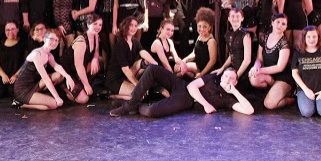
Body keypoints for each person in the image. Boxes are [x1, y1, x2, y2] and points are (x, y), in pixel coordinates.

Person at [109, 64, 255, 117]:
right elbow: (192, 86)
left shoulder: (228, 99)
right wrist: (205, 104)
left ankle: (134, 105)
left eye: (231, 78)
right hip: (183, 86)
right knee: (152, 69)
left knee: (151, 112)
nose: (227, 79)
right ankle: (130, 105)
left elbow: (249, 111)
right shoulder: (214, 78)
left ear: (235, 81)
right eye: (226, 76)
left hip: (186, 100)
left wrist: (234, 91)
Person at [12, 30, 76, 110]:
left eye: (56, 40)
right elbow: (46, 79)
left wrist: (68, 77)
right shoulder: (36, 54)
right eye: (51, 39)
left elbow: (57, 66)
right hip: (23, 89)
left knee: (59, 75)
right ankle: (21, 104)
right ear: (45, 39)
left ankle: (38, 97)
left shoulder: (49, 55)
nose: (54, 42)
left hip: (34, 85)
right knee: (54, 104)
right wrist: (57, 97)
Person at [104, 16, 159, 99]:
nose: (133, 28)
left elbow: (143, 52)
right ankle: (115, 96)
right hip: (115, 80)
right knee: (140, 95)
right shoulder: (121, 45)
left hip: (125, 76)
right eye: (131, 25)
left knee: (144, 62)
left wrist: (154, 63)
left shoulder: (135, 41)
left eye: (135, 26)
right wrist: (138, 85)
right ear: (126, 26)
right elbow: (125, 70)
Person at [249, 13, 295, 110]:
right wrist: (256, 67)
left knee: (269, 104)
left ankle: (290, 98)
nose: (280, 25)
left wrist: (260, 70)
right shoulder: (265, 38)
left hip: (284, 77)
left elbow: (280, 67)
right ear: (272, 22)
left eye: (283, 24)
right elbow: (259, 58)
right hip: (271, 75)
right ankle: (274, 91)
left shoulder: (284, 43)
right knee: (254, 78)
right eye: (278, 22)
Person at [291, 26, 321, 118]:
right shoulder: (298, 53)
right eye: (309, 37)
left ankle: (320, 103)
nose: (311, 39)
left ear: (318, 37)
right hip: (304, 89)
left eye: (314, 36)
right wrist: (305, 90)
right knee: (307, 112)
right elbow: (294, 73)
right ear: (304, 38)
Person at [61, 15, 102, 104]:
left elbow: (97, 50)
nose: (98, 27)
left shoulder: (95, 36)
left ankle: (81, 84)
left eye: (100, 25)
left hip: (79, 68)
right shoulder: (81, 41)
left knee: (99, 61)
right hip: (69, 71)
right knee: (84, 99)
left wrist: (95, 58)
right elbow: (78, 65)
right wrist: (86, 85)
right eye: (95, 24)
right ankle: (63, 87)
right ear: (88, 24)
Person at [214, 9, 253, 86]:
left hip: (242, 72)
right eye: (232, 16)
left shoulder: (246, 35)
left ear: (242, 18)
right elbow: (231, 55)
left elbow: (247, 60)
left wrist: (236, 76)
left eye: (238, 16)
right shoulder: (228, 34)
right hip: (232, 69)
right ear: (228, 19)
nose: (235, 19)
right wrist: (222, 68)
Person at [96, 0, 122, 64]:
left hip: (113, 16)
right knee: (105, 47)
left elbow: (116, 4)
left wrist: (115, 24)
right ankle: (106, 74)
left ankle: (114, 71)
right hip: (101, 17)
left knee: (113, 46)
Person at [0, 20, 27, 100]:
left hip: (17, 74)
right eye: (7, 30)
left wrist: (16, 75)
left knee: (13, 91)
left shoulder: (23, 43)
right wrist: (3, 75)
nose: (10, 31)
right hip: (3, 75)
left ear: (17, 29)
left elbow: (26, 62)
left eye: (13, 29)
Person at [181, 7, 219, 79]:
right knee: (178, 67)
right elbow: (194, 53)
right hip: (198, 66)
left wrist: (201, 74)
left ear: (209, 27)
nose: (201, 29)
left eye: (205, 27)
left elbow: (212, 61)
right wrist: (184, 60)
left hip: (206, 70)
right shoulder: (199, 37)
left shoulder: (211, 41)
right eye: (199, 26)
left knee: (179, 71)